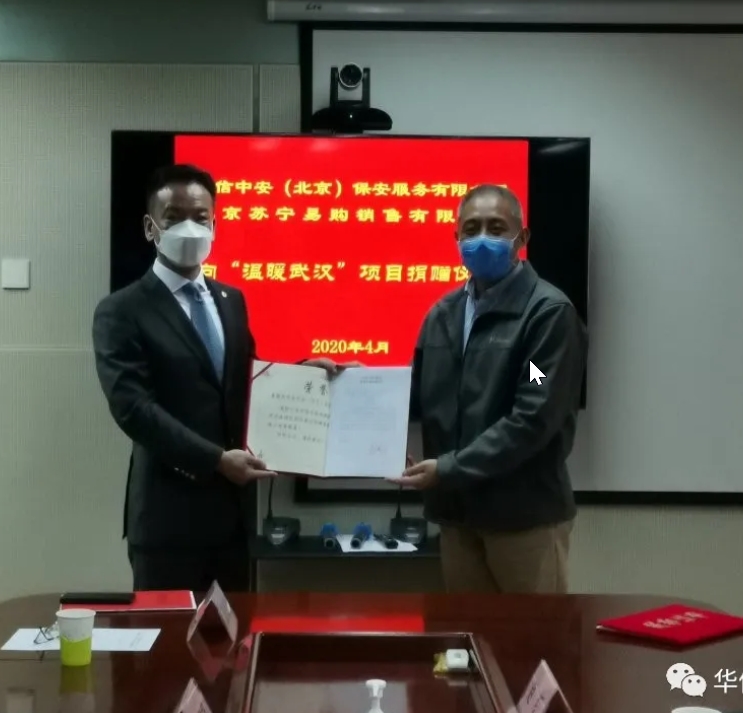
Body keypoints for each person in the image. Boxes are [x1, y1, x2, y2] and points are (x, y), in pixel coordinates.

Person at [92, 164, 342, 592]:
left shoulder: (231, 300)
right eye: (174, 218)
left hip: (233, 521)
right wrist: (215, 460)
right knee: (169, 636)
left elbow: (246, 384)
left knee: (233, 633)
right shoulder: (122, 310)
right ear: (151, 228)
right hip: (168, 523)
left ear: (214, 225)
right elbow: (133, 409)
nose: (189, 228)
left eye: (200, 217)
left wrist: (303, 374)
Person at [391, 184, 587, 594]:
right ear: (456, 237)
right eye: (472, 229)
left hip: (524, 519)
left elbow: (535, 414)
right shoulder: (443, 314)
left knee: (533, 633)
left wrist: (449, 469)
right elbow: (413, 393)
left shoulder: (545, 315)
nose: (482, 239)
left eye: (496, 228)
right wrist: (355, 384)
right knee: (466, 633)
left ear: (522, 237)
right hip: (457, 517)